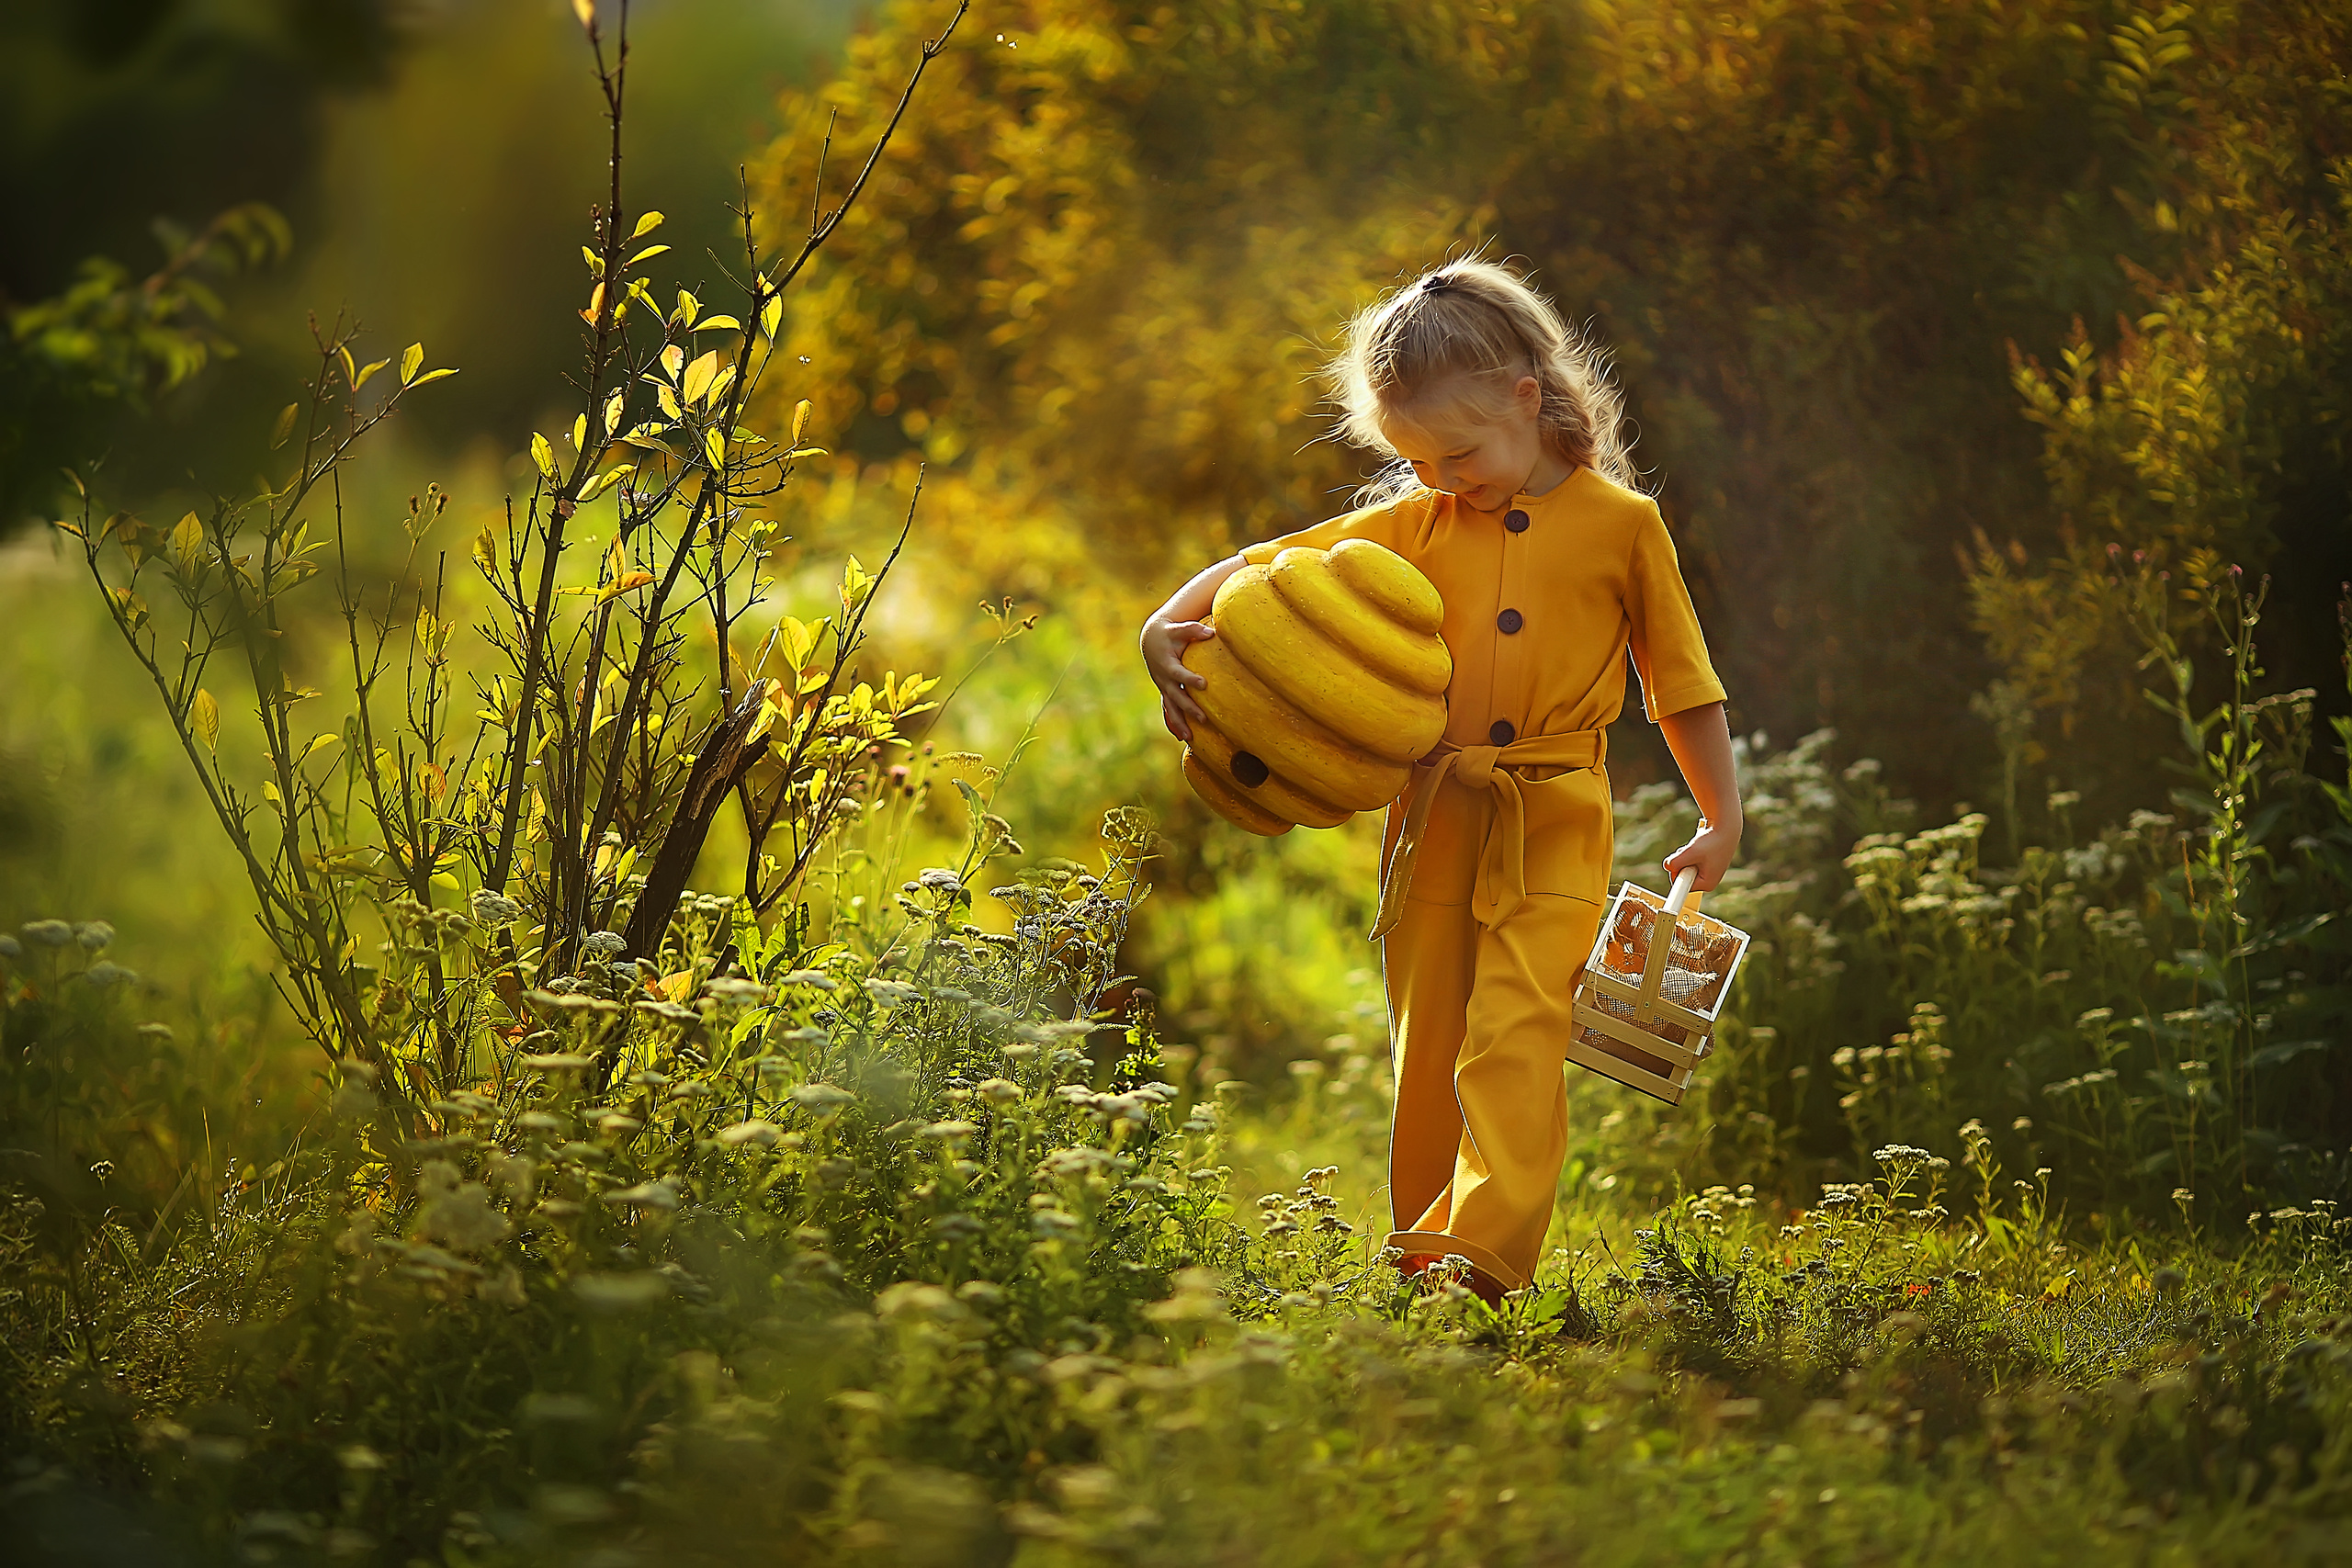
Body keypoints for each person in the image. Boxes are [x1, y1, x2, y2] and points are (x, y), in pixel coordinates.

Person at [1138, 259, 1742, 1303]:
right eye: (1413, 460)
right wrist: (1163, 625)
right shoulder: (1413, 524)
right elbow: (1260, 564)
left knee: (1517, 1040)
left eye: (1454, 453)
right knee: (1431, 1054)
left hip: (1552, 819)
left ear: (1525, 399)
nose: (1435, 479)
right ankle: (1422, 1264)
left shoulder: (1623, 527)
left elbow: (1681, 684)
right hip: (1431, 824)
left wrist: (1718, 817)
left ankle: (1485, 1267)